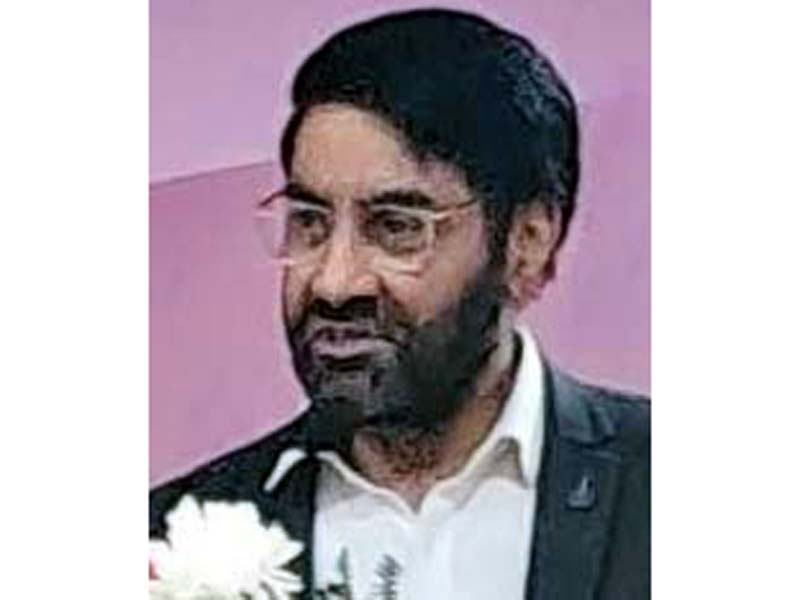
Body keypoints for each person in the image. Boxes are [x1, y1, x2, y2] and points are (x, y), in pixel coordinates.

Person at [150, 8, 650, 600]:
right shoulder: (165, 539)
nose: (334, 283)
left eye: (396, 227)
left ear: (527, 243)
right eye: (310, 222)